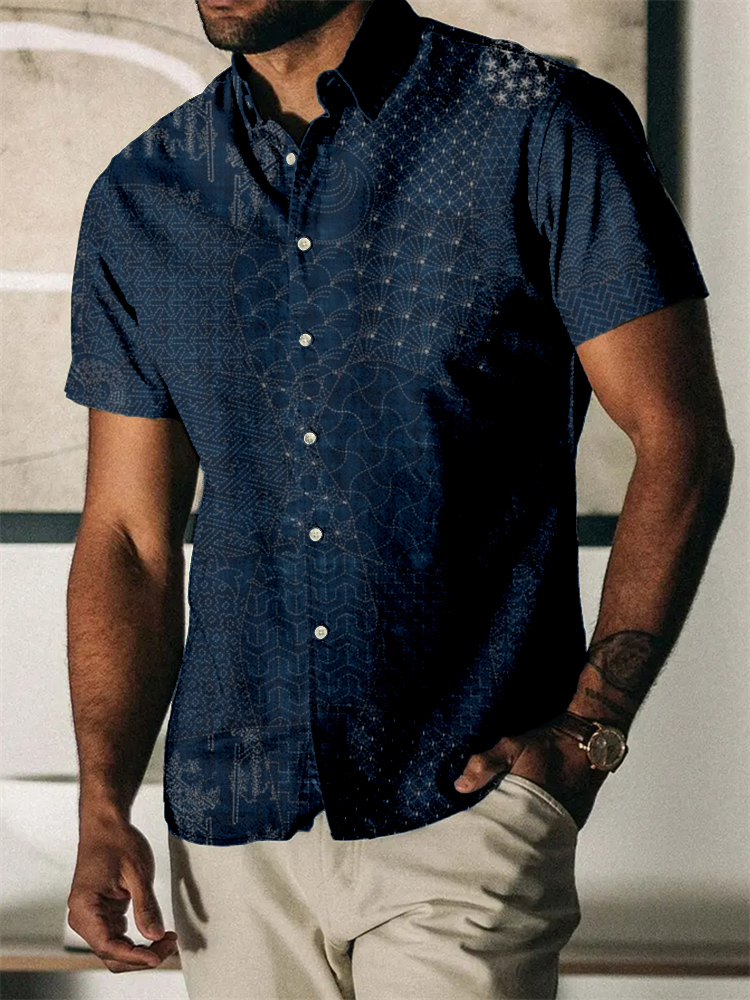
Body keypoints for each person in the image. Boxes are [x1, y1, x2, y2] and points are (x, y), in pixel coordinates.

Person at [64, 0, 734, 997]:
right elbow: (128, 535)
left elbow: (681, 442)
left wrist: (588, 732)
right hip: (229, 826)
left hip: (464, 806)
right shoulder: (142, 193)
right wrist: (102, 802)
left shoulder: (537, 124)